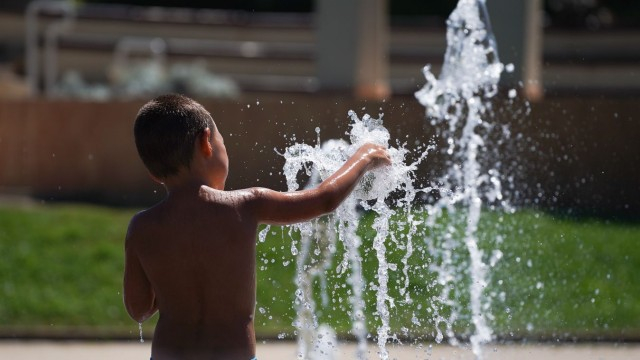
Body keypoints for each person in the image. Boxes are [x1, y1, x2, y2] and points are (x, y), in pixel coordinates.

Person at [123, 94, 391, 360]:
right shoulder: (245, 205)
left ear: (153, 173)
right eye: (222, 143)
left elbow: (139, 309)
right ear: (206, 142)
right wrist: (364, 156)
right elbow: (324, 199)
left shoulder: (142, 227)